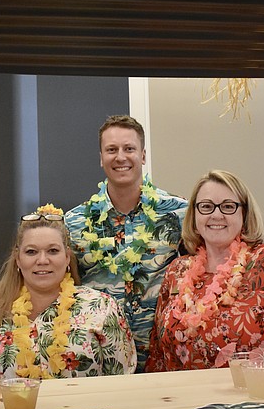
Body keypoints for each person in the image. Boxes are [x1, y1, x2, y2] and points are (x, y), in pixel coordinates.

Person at [144, 170, 264, 373]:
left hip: (255, 399)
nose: (216, 215)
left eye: (228, 206)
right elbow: (158, 357)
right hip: (183, 400)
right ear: (194, 216)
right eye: (206, 207)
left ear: (244, 214)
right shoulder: (176, 271)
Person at [0, 205, 136, 381]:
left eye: (53, 251)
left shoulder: (102, 309)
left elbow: (122, 386)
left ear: (67, 257)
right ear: (18, 259)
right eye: (31, 252)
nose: (42, 260)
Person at [65, 115, 187, 371]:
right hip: (100, 357)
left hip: (163, 355)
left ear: (142, 155)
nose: (120, 157)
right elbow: (51, 279)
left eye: (129, 148)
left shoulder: (178, 213)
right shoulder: (75, 222)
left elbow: (213, 265)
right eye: (111, 150)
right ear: (101, 158)